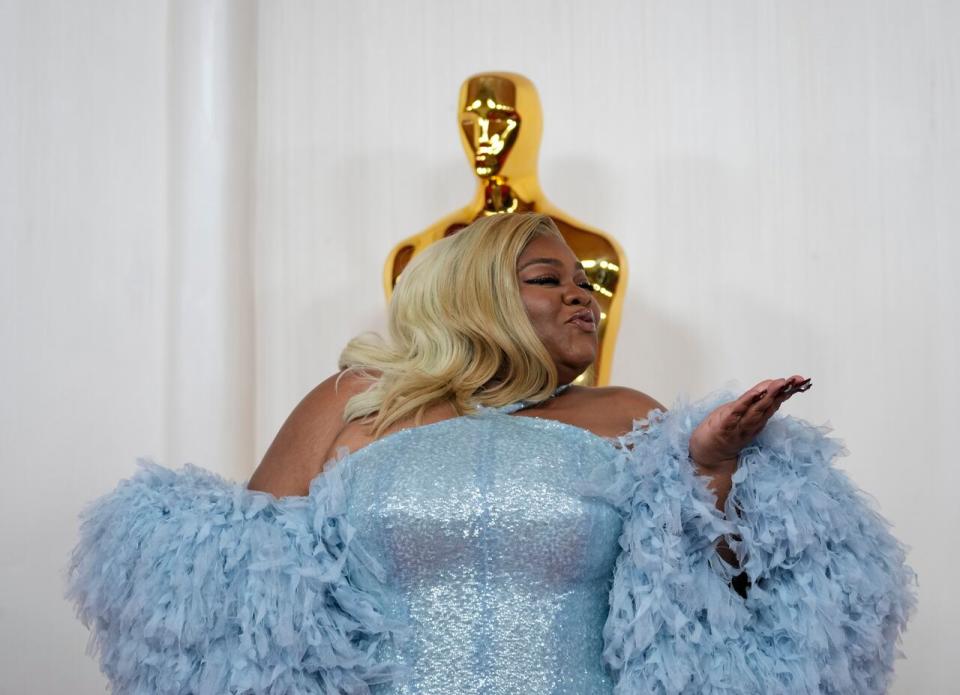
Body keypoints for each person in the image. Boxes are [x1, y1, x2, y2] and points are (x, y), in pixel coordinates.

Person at [67, 213, 916, 694]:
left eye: (588, 279)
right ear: (473, 295)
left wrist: (709, 469)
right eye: (552, 277)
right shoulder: (354, 402)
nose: (584, 291)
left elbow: (726, 616)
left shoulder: (626, 415)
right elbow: (246, 619)